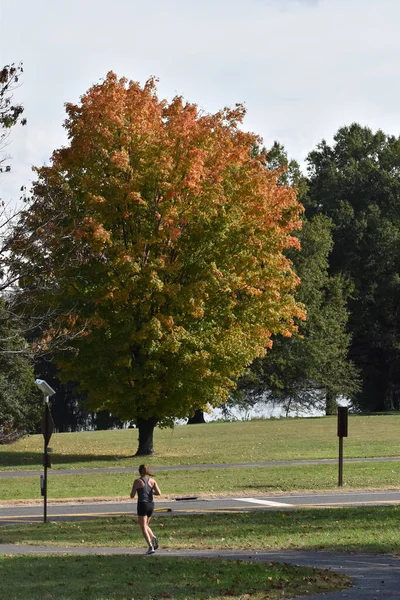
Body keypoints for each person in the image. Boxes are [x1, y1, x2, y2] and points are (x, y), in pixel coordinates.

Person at [130, 464, 161, 554]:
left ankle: (150, 547)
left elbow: (132, 495)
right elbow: (159, 493)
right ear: (147, 471)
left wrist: (138, 492)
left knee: (143, 527)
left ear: (139, 471)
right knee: (146, 524)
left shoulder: (137, 481)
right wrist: (150, 492)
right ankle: (153, 537)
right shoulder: (152, 481)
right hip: (151, 505)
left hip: (142, 504)